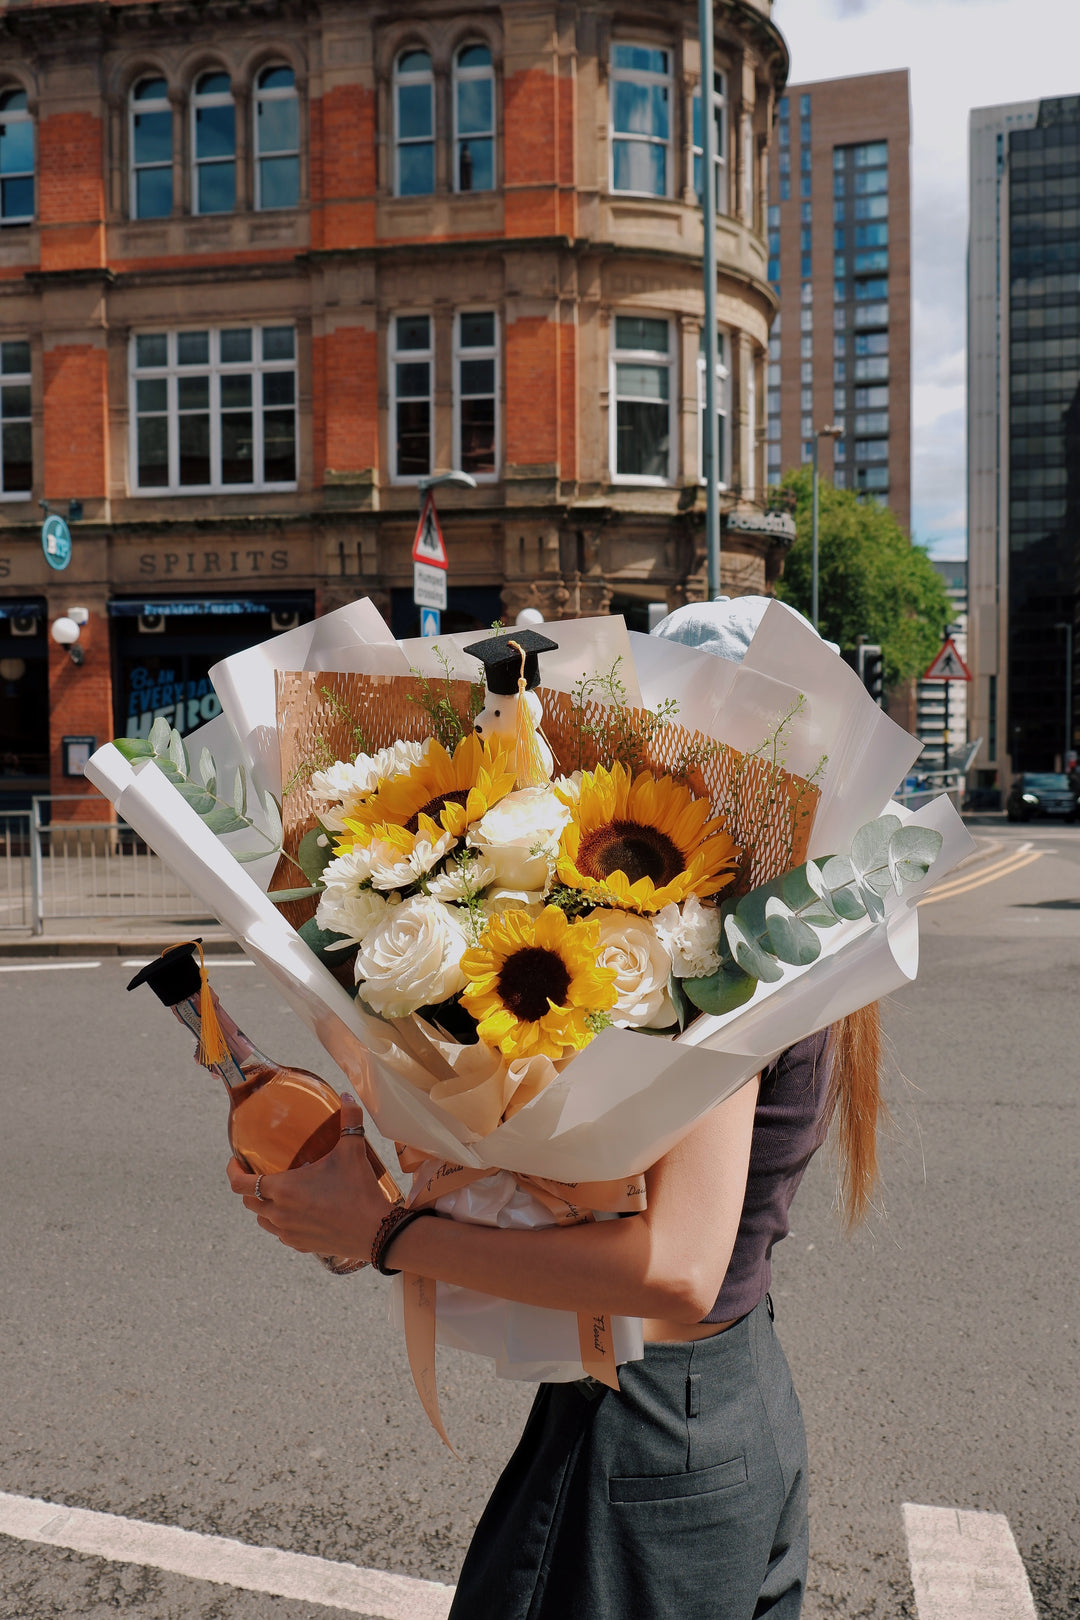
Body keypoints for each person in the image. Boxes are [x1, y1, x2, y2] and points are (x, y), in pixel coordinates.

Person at [227, 597, 885, 1618]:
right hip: (725, 1405)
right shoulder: (776, 932)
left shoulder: (729, 945)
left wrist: (387, 1230)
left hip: (649, 1439)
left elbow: (671, 1267)